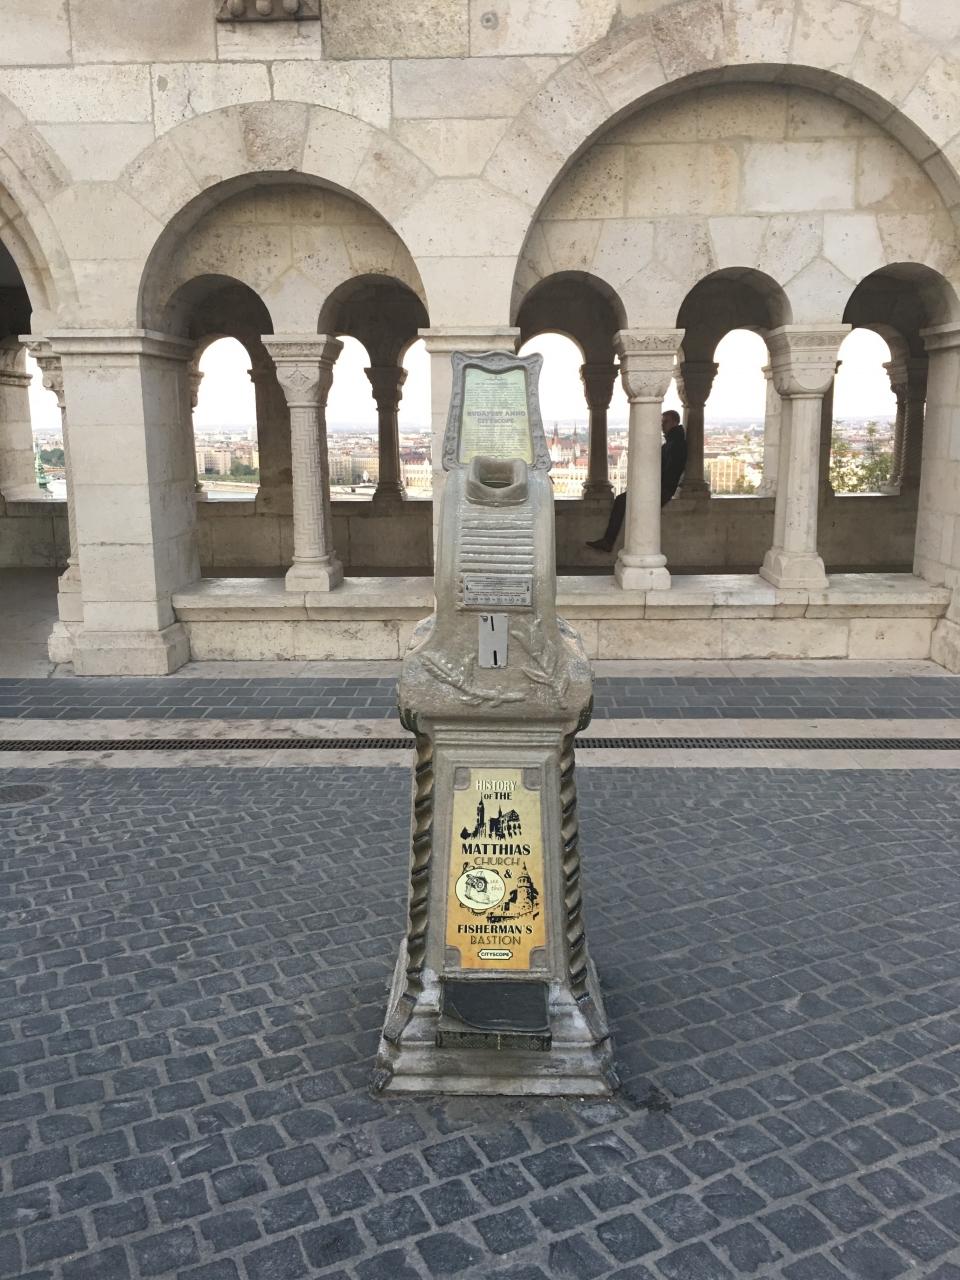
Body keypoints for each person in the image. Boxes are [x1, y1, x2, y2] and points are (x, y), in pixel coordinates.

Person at [586, 409, 687, 553]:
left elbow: (670, 471)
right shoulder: (674, 441)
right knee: (622, 501)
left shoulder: (675, 444)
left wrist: (651, 485)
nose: (662, 425)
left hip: (660, 490)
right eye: (662, 422)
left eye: (665, 422)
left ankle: (608, 541)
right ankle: (608, 541)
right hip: (659, 488)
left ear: (675, 422)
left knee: (621, 501)